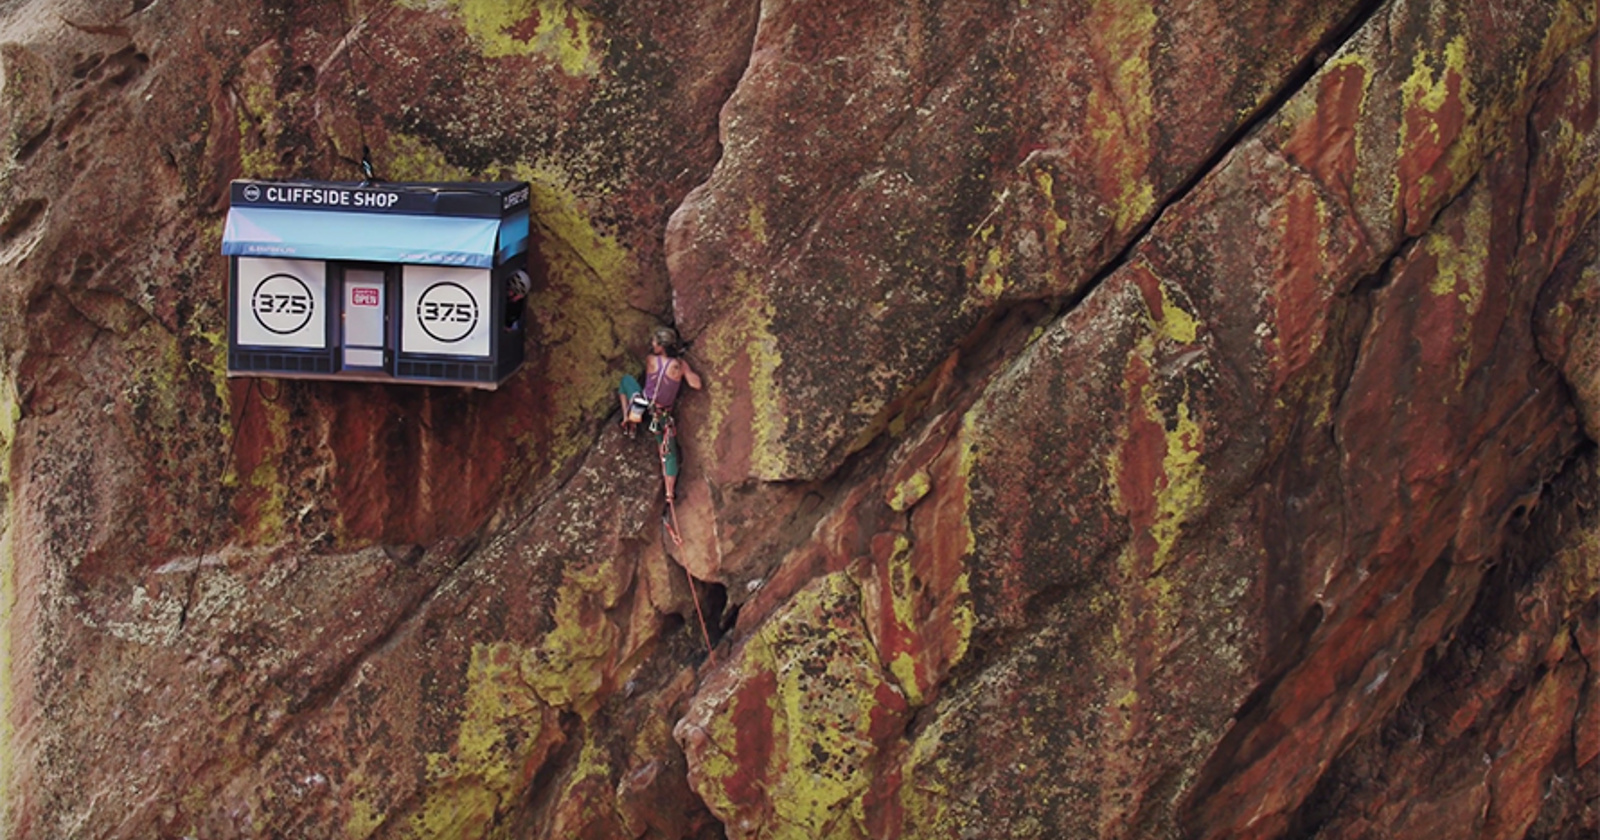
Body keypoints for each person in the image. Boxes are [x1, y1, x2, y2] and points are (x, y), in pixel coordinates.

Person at [618, 326, 702, 502]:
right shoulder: (680, 365)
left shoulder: (651, 360)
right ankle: (669, 493)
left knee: (625, 381)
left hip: (643, 405)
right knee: (667, 452)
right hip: (661, 414)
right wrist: (686, 369)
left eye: (655, 342)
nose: (652, 345)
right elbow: (696, 385)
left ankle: (628, 416)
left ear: (661, 346)